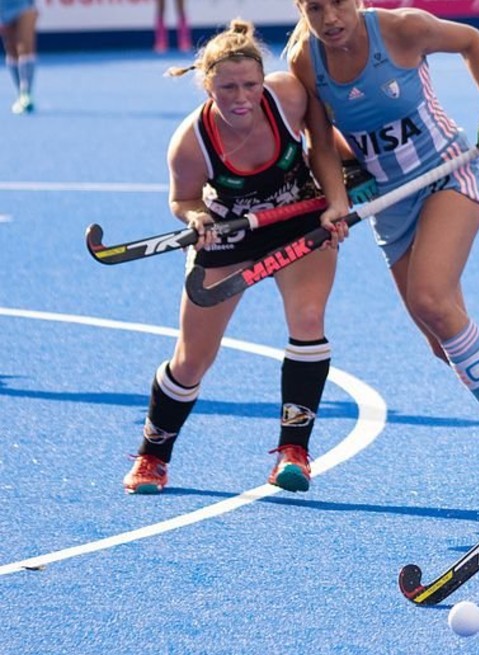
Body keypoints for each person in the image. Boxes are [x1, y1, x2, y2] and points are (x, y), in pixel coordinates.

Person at [284, 0, 479, 482]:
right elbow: (321, 139)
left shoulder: (402, 28)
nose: (330, 18)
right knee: (442, 339)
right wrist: (336, 200)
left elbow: (472, 42)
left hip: (448, 176)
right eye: (315, 8)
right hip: (389, 202)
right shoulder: (306, 60)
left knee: (430, 298)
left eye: (339, 3)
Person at [123, 18, 356, 495]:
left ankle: (294, 452)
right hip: (229, 236)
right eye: (227, 87)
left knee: (308, 320)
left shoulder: (287, 95)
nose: (241, 97)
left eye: (250, 84)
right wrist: (196, 221)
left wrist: (336, 201)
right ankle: (153, 456)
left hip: (298, 221)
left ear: (262, 79)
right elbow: (183, 199)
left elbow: (322, 144)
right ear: (206, 85)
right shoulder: (190, 142)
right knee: (191, 360)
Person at [0, 0, 36, 114]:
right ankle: (20, 93)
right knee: (11, 50)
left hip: (24, 4)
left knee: (25, 45)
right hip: (2, 8)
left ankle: (26, 93)